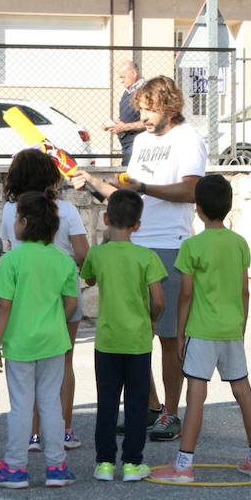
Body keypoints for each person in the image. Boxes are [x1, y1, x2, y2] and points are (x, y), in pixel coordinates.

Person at [73, 75, 207, 443]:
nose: (142, 118)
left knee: (167, 336)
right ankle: (149, 407)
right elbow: (130, 192)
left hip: (169, 244)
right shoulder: (144, 141)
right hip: (135, 243)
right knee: (136, 333)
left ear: (167, 105)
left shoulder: (189, 139)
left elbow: (193, 189)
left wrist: (144, 187)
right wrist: (98, 185)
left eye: (147, 110)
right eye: (141, 111)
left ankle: (171, 413)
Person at [151, 175, 251, 482]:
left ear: (197, 208)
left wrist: (180, 330)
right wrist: (241, 326)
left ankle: (184, 463)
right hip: (231, 329)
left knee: (196, 394)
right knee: (243, 390)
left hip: (201, 330)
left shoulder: (192, 246)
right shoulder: (239, 243)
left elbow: (186, 294)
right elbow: (243, 289)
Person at [0, 190, 79, 489]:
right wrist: (55, 323)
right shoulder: (63, 260)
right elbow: (72, 303)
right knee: (51, 402)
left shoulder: (12, 260)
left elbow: (4, 305)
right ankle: (56, 466)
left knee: (21, 405)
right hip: (53, 341)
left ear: (23, 222)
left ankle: (15, 468)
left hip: (20, 343)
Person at [0, 148, 89, 452]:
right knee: (63, 361)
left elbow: (11, 250)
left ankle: (32, 433)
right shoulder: (67, 211)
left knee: (26, 365)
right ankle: (63, 430)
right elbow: (82, 254)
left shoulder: (10, 212)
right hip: (64, 293)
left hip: (25, 294)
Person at [81, 189, 165, 482]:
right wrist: (153, 321)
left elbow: (89, 277)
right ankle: (132, 462)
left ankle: (104, 462)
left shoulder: (98, 254)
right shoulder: (147, 257)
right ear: (137, 225)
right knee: (136, 402)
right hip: (138, 340)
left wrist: (103, 246)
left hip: (107, 341)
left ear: (106, 218)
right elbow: (158, 299)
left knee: (106, 401)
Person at [105, 59, 145, 166]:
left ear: (133, 74)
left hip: (137, 144)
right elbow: (130, 116)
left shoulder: (144, 91)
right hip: (127, 144)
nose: (121, 81)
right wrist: (115, 124)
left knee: (129, 178)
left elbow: (148, 122)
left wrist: (124, 127)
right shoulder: (127, 92)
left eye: (123, 77)